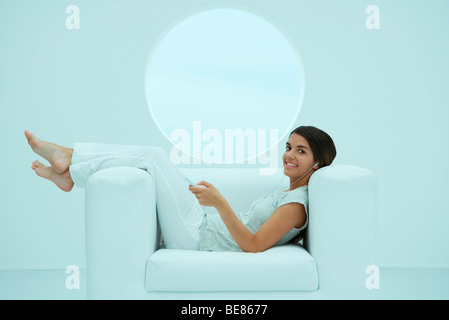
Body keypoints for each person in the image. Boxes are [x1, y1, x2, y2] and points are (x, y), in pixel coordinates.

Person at [25, 126, 336, 253]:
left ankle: (70, 160)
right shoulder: (289, 189)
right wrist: (211, 206)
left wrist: (220, 203)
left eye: (301, 151)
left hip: (198, 236)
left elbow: (253, 246)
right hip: (203, 223)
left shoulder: (297, 205)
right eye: (288, 147)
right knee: (168, 168)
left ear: (318, 163)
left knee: (154, 156)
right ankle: (71, 169)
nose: (289, 155)